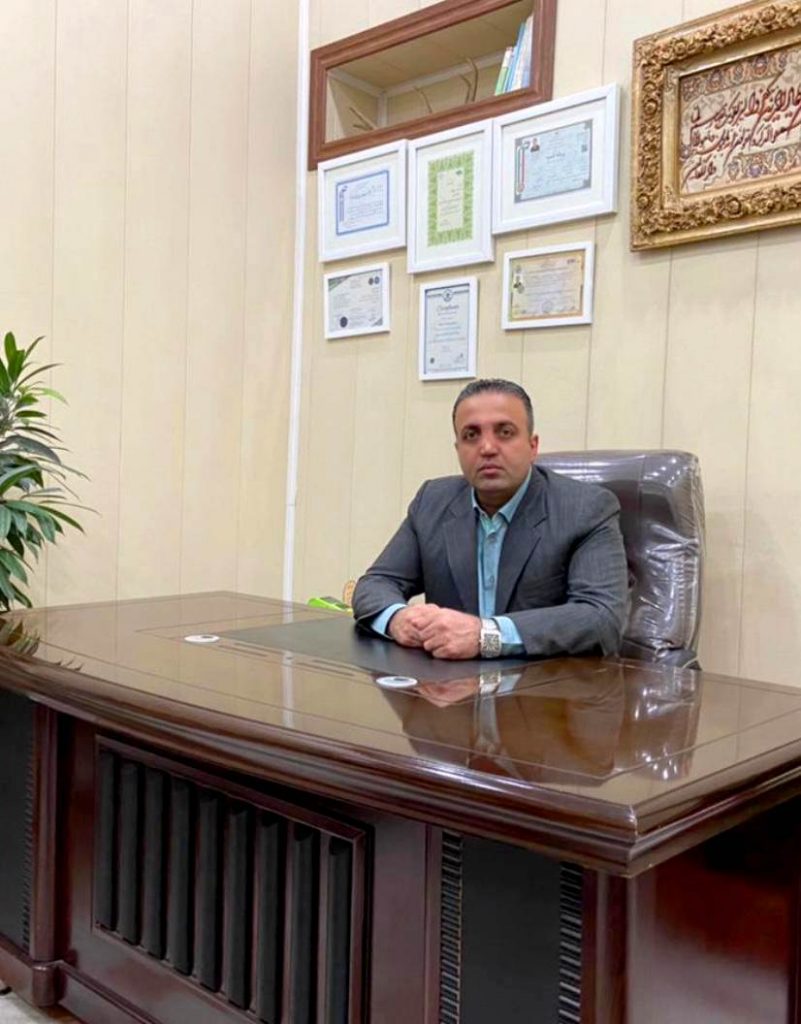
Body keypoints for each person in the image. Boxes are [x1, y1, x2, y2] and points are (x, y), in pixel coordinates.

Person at [352, 378, 628, 660]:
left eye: (505, 432)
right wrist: (398, 619)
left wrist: (486, 635)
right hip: (449, 680)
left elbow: (602, 617)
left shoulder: (585, 509)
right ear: (458, 449)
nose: (487, 448)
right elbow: (376, 584)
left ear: (533, 446)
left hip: (544, 681)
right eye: (471, 435)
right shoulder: (432, 502)